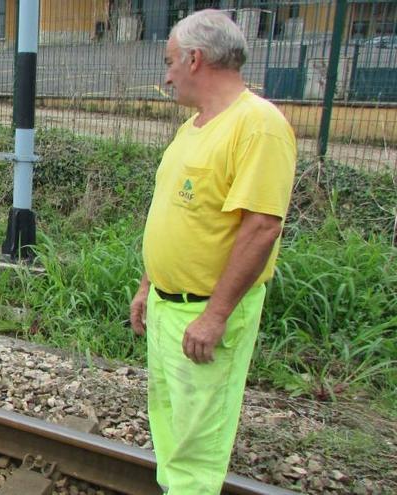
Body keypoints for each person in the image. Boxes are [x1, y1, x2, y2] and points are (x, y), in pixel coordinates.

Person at [128, 9, 296, 495]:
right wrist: (148, 286)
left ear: (194, 59)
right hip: (167, 303)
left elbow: (261, 228)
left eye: (169, 62)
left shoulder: (257, 125)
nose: (166, 75)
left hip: (204, 310)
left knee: (197, 439)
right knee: (172, 423)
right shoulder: (196, 126)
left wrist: (216, 314)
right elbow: (179, 215)